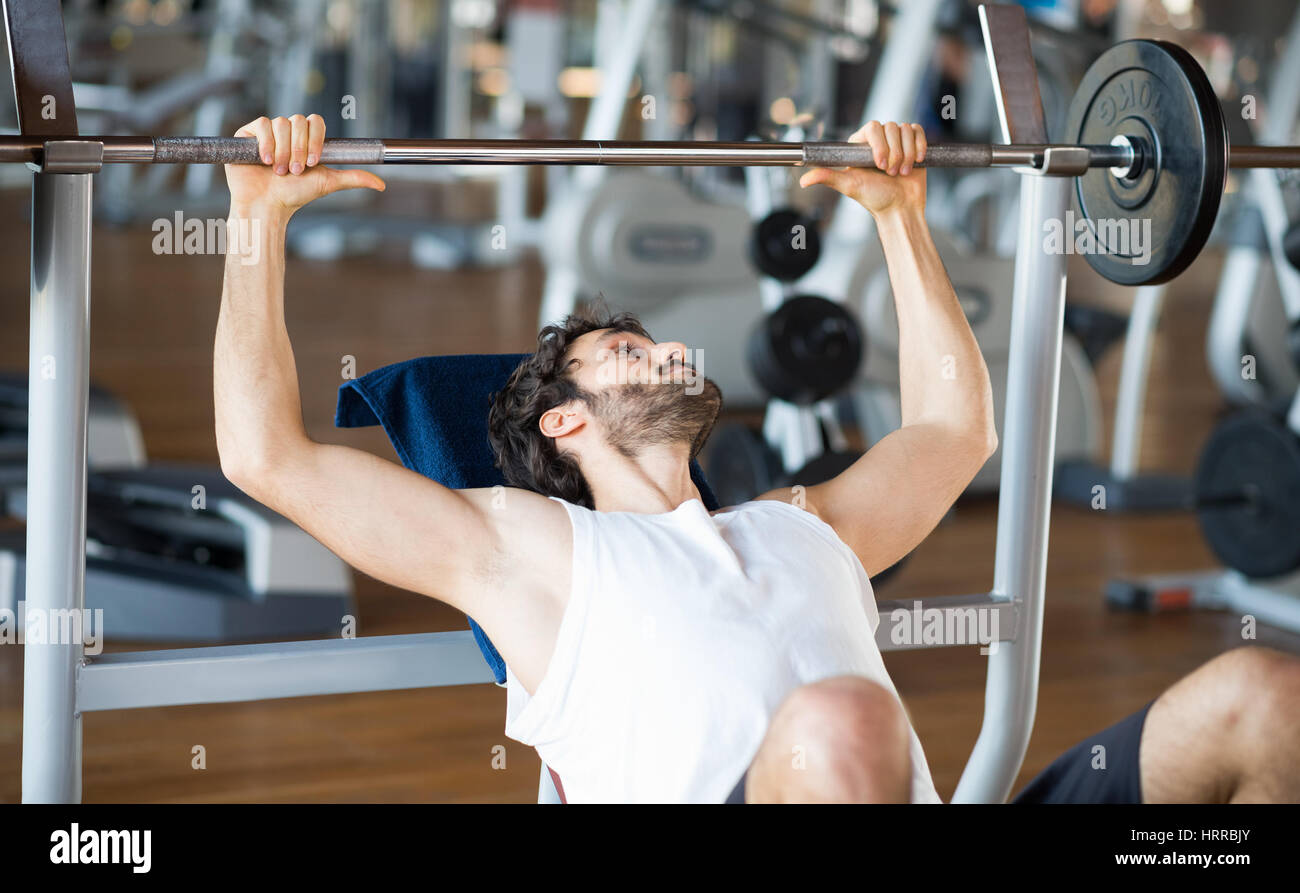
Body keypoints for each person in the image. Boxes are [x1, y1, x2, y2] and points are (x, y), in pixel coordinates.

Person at [215, 114, 1300, 803]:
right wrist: (254, 219)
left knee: (1260, 698)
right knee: (843, 720)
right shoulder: (524, 551)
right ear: (564, 424)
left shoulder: (799, 524)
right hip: (803, 771)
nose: (677, 351)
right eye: (632, 354)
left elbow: (953, 433)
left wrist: (897, 218)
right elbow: (266, 454)